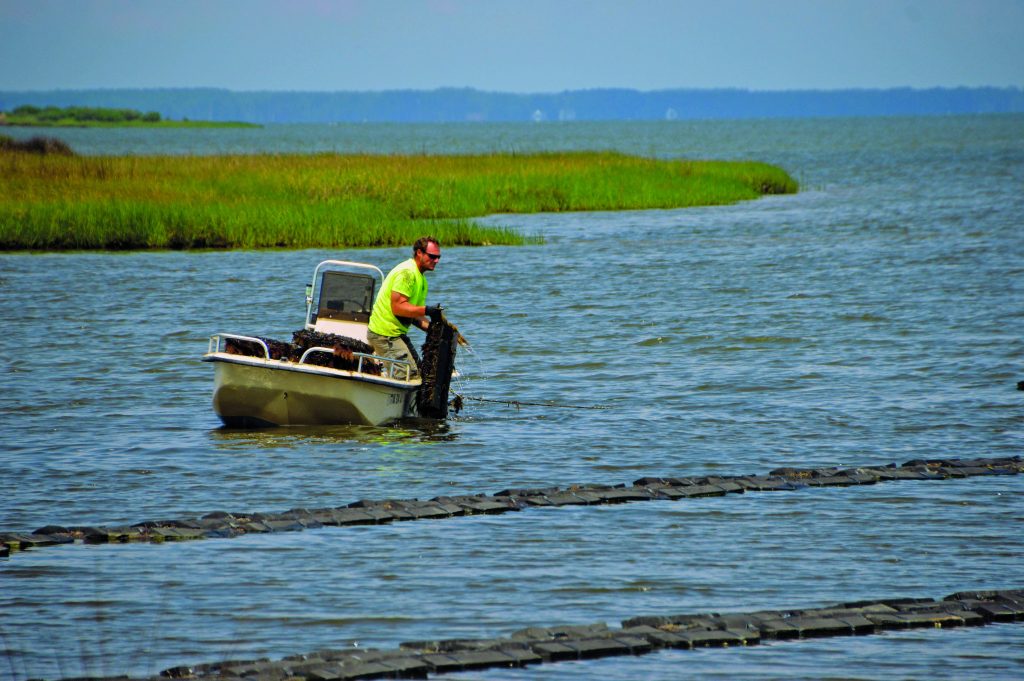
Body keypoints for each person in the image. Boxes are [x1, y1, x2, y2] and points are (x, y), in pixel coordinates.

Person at [367, 236, 444, 379]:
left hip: (396, 334)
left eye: (438, 257)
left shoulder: (421, 279)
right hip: (384, 334)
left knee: (420, 373)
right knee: (408, 375)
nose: (436, 261)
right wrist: (427, 310)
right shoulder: (407, 273)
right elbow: (398, 308)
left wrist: (436, 329)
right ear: (419, 253)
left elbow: (413, 314)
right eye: (432, 256)